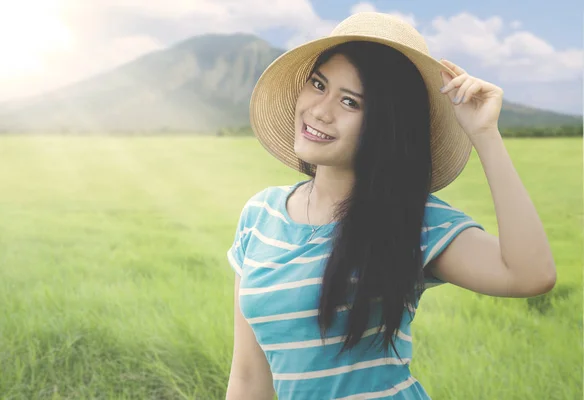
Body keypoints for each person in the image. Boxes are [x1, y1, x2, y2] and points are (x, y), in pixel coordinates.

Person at [225, 12, 556, 400]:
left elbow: (530, 275)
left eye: (350, 102)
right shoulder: (259, 216)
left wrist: (485, 135)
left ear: (385, 125)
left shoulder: (409, 219)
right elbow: (248, 377)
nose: (320, 110)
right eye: (319, 84)